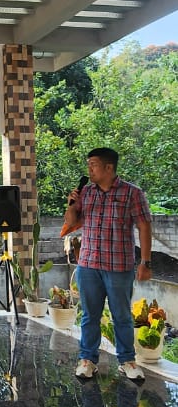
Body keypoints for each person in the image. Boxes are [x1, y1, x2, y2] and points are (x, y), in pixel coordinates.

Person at [63, 147, 152, 383]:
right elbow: (71, 222)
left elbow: (144, 226)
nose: (89, 170)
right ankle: (87, 360)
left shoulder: (132, 193)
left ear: (109, 167)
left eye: (93, 165)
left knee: (121, 315)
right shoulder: (86, 193)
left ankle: (127, 361)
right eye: (88, 165)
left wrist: (145, 262)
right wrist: (72, 204)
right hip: (88, 264)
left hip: (119, 265)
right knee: (89, 315)